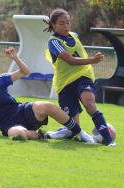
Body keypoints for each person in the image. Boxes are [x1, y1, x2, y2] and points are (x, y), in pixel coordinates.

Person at [43, 8, 115, 146]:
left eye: (68, 22)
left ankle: (109, 140)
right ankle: (59, 133)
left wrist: (91, 61)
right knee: (73, 126)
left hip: (83, 75)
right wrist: (92, 60)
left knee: (89, 104)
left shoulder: (74, 35)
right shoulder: (53, 42)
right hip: (64, 83)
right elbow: (70, 60)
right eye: (62, 23)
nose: (66, 26)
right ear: (53, 25)